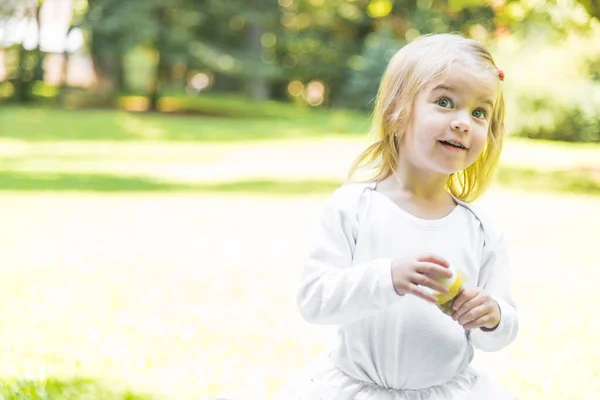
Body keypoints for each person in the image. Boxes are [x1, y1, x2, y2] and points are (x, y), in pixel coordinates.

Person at [273, 33, 519, 400]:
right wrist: (388, 278)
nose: (464, 122)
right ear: (398, 111)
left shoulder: (479, 230)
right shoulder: (354, 208)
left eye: (479, 112)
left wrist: (492, 314)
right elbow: (315, 300)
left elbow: (501, 331)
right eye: (445, 102)